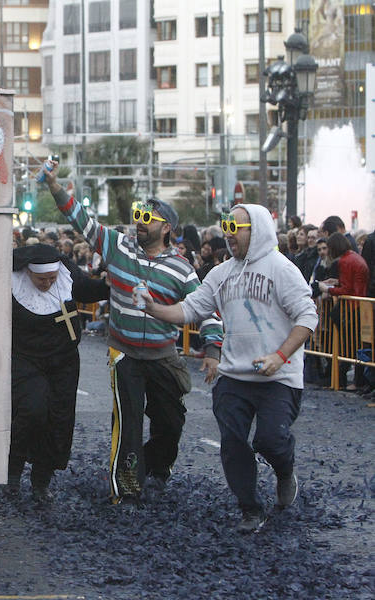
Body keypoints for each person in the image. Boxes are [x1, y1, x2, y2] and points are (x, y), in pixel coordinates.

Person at [40, 163, 223, 504]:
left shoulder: (182, 269)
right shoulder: (117, 247)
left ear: (166, 227)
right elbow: (83, 221)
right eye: (138, 214)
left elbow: (206, 309)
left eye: (147, 217)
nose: (139, 220)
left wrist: (212, 351)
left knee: (171, 423)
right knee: (127, 423)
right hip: (124, 354)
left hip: (164, 357)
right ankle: (125, 491)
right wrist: (54, 187)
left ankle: (156, 467)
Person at [136, 204, 317, 533]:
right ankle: (250, 509)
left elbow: (308, 317)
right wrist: (154, 308)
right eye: (227, 228)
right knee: (233, 444)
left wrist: (280, 355)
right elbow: (190, 309)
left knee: (270, 440)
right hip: (234, 376)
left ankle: (285, 471)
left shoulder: (282, 269)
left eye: (238, 228)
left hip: (279, 377)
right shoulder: (222, 273)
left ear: (258, 229)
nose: (230, 236)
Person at [8, 243, 109, 501]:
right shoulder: (11, 284)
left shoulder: (66, 276)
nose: (47, 283)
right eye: (41, 279)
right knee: (32, 410)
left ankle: (42, 480)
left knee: (59, 419)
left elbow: (89, 290)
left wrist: (112, 280)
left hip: (63, 360)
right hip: (26, 359)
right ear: (28, 274)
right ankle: (13, 471)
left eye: (52, 279)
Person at [318, 232, 370, 390]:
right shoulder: (353, 257)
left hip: (351, 308)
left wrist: (327, 288)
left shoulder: (345, 261)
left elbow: (347, 289)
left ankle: (341, 380)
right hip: (360, 306)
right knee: (357, 346)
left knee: (348, 346)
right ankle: (352, 380)